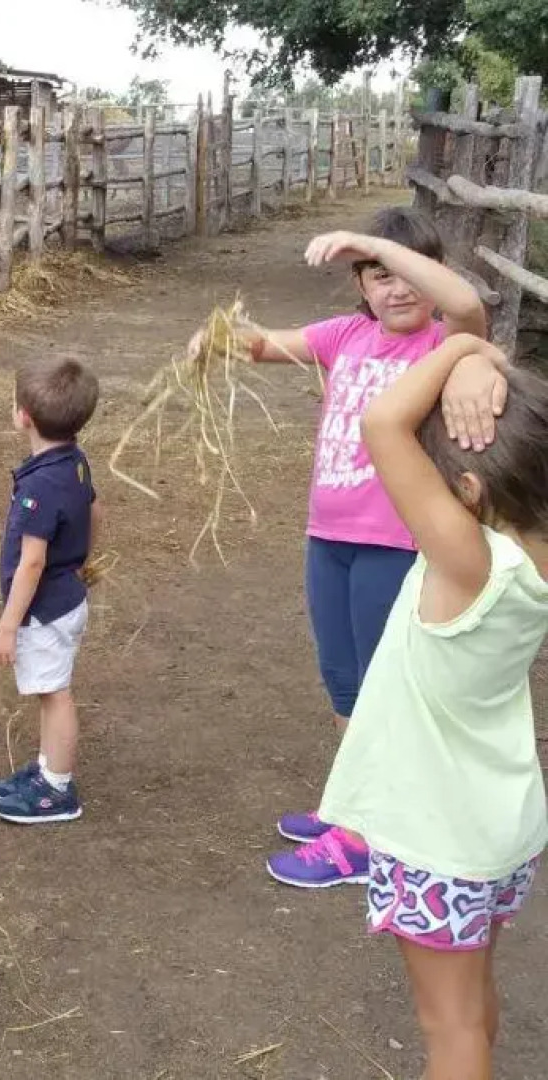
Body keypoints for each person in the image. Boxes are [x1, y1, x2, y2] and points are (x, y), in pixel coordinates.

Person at [208, 208, 498, 888]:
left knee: (383, 689)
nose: (394, 289)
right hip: (327, 535)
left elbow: (466, 302)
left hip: (393, 543)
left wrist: (372, 242)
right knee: (341, 678)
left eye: (405, 273)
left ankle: (366, 835)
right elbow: (260, 346)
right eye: (376, 276)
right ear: (359, 287)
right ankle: (354, 803)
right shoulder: (346, 336)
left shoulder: (443, 347)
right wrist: (216, 339)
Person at [315, 331, 548, 1079]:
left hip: (435, 838)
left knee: (446, 1032)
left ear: (468, 495)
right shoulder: (529, 554)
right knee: (472, 1009)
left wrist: (465, 347)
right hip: (497, 824)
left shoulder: (467, 561)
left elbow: (381, 423)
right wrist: (486, 368)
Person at [0, 358, 101, 824]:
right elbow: (97, 512)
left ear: (22, 415)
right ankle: (48, 769)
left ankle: (57, 790)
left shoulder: (40, 485)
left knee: (54, 694)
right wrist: (85, 560)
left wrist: (7, 626)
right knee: (50, 690)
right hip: (65, 597)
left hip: (45, 609)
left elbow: (32, 561)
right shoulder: (73, 463)